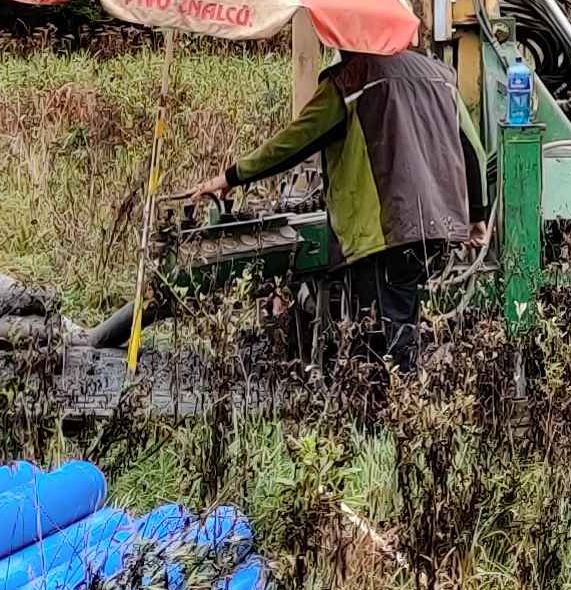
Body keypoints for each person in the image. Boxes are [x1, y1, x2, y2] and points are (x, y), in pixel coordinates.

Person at [184, 45, 480, 372]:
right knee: (401, 320)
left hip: (382, 232)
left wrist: (232, 176)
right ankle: (404, 405)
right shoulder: (439, 74)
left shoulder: (350, 81)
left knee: (378, 340)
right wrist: (477, 216)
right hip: (435, 227)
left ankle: (382, 412)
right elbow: (469, 150)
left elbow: (293, 142)